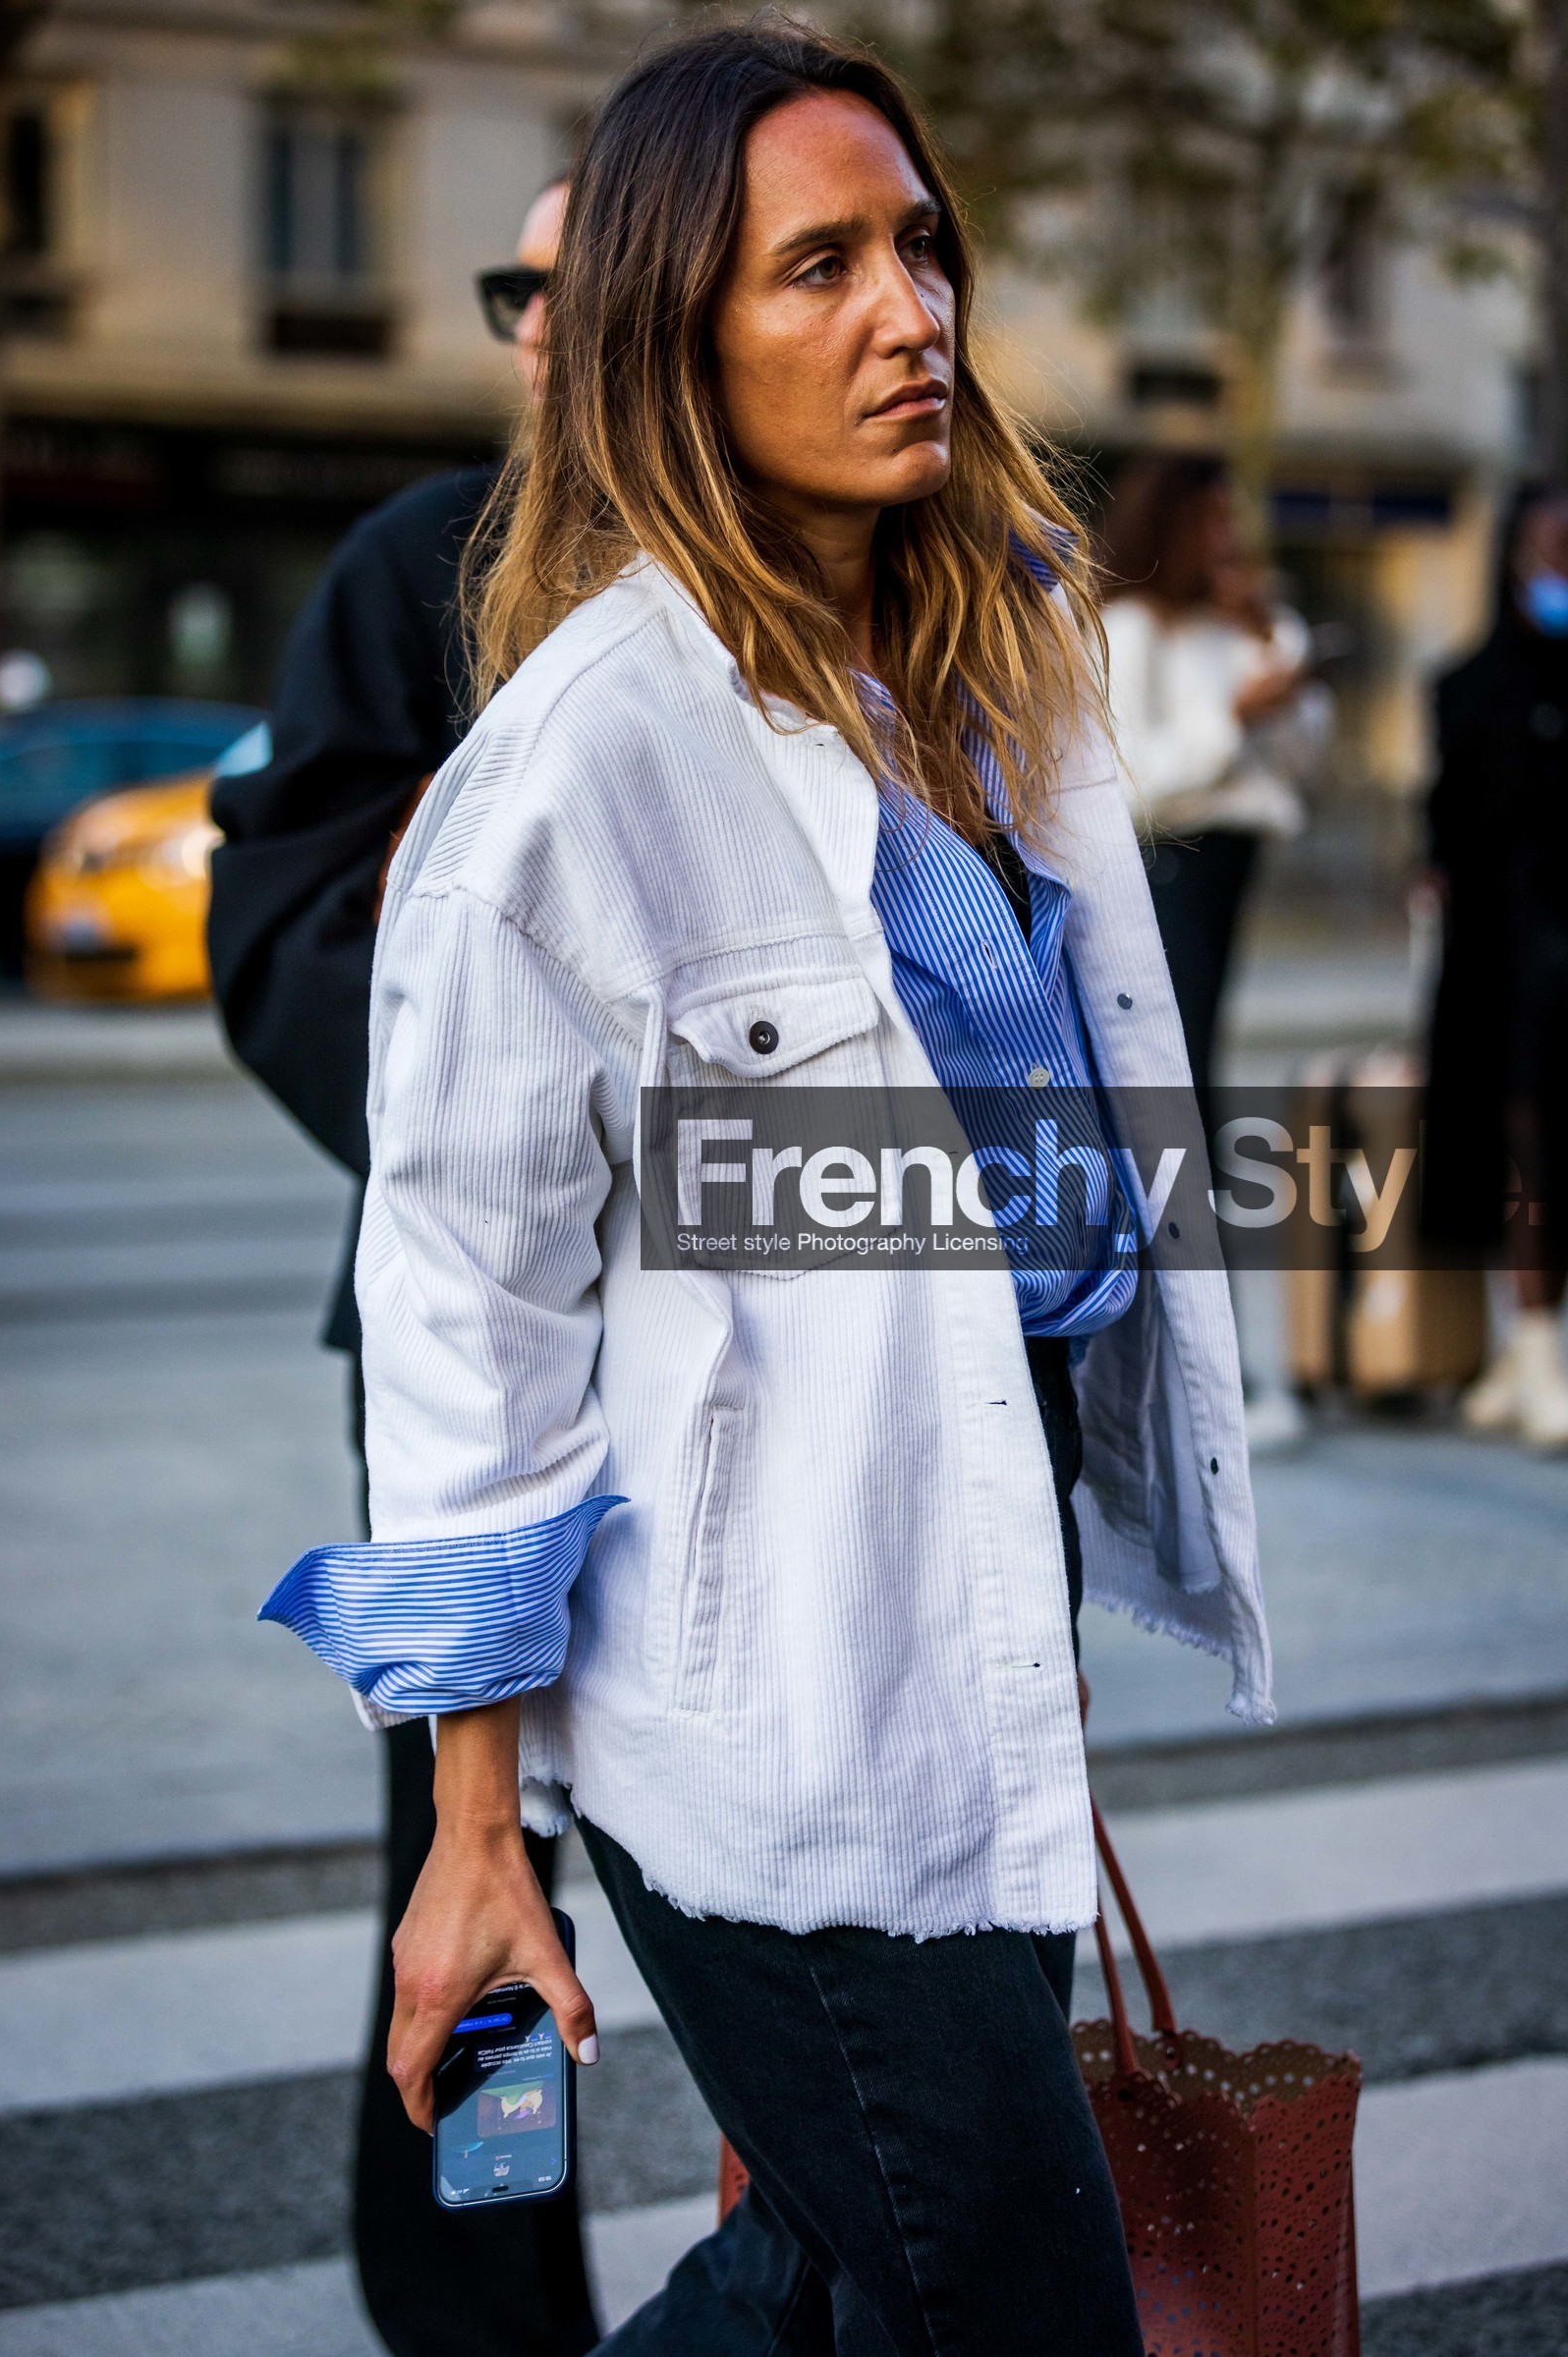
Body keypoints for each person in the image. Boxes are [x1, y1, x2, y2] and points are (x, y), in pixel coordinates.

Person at [259, 24, 1272, 2351]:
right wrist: (470, 1826)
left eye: (918, 245)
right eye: (814, 265)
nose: (906, 309)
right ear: (666, 340)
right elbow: (464, 1302)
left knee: (835, 2273)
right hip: (756, 1670)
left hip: (977, 1572)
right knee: (1004, 2296)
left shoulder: (993, 653)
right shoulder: (582, 759)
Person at [208, 182, 598, 2357]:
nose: (540, 319)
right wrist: (532, 1114)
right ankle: (487, 2321)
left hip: (772, 1364)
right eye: (513, 285)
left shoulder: (803, 562)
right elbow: (277, 931)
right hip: (470, 1343)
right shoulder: (415, 565)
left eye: (582, 274)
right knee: (474, 1878)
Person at [1097, 452, 1330, 1109]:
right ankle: (1185, 1198)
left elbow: (1305, 764)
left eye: (1233, 519)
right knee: (1178, 1052)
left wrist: (1267, 638)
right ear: (1168, 526)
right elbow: (1127, 783)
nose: (1227, 539)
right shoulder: (1131, 629)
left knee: (1204, 1043)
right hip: (1169, 862)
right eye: (1210, 520)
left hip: (1233, 861)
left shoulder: (1242, 626)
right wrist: (1232, 719)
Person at [1426, 482, 1568, 1448]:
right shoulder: (1469, 684)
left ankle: (1536, 1347)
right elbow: (1450, 823)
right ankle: (1533, 1342)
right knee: (1520, 1136)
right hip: (1506, 953)